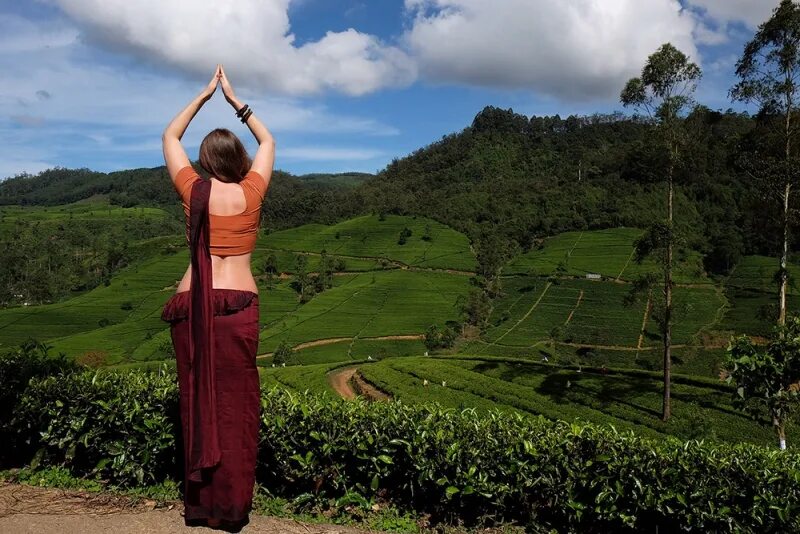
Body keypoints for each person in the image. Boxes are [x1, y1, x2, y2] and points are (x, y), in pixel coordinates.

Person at [160, 64, 275, 531]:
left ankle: (201, 505)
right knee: (237, 404)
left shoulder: (194, 191)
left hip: (194, 304)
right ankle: (230, 508)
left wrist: (205, 95)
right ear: (238, 158)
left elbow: (170, 135)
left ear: (206, 162)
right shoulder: (253, 190)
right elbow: (269, 142)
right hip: (239, 305)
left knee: (196, 401)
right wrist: (236, 101)